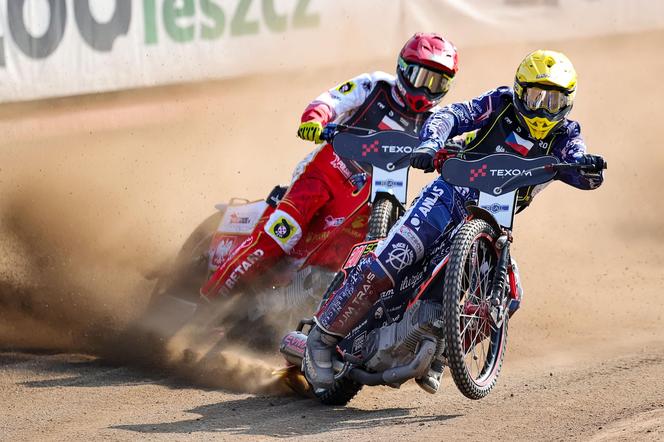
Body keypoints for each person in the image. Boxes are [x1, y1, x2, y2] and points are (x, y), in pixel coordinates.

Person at [304, 49, 605, 392]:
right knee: (395, 257)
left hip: (494, 226)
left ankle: (442, 354)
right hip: (449, 196)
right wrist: (432, 142)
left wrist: (588, 169)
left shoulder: (567, 135)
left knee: (511, 294)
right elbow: (451, 114)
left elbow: (582, 166)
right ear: (520, 91)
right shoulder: (499, 103)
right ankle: (321, 340)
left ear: (567, 102)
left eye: (552, 101)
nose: (541, 109)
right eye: (535, 97)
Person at [199, 33, 459, 300]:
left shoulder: (435, 121)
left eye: (437, 82)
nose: (426, 89)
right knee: (279, 237)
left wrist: (460, 153)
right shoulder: (375, 85)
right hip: (327, 171)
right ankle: (207, 302)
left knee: (346, 265)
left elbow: (460, 141)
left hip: (368, 199)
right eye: (420, 78)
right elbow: (332, 100)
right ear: (403, 69)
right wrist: (315, 119)